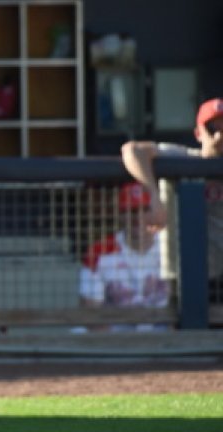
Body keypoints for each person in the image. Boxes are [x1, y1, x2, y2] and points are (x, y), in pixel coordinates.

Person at [120, 97, 223, 304]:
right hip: (188, 275)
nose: (220, 134)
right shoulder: (183, 158)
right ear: (198, 133)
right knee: (190, 331)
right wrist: (154, 197)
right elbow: (132, 150)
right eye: (212, 127)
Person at [77, 183, 171, 333]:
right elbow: (91, 312)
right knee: (79, 332)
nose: (139, 218)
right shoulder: (99, 252)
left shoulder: (171, 247)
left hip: (163, 334)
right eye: (132, 211)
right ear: (120, 215)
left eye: (145, 210)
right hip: (116, 335)